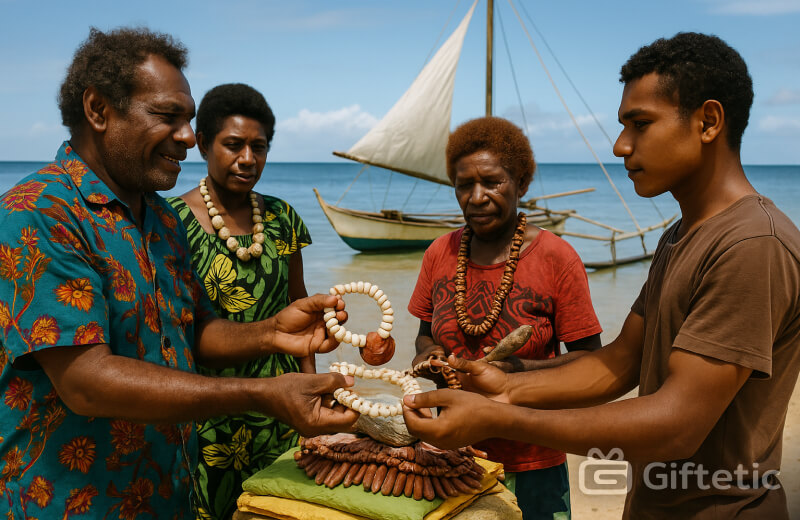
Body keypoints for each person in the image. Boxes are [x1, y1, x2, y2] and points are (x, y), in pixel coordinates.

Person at [403, 32, 800, 519]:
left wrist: (501, 417)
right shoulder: (681, 236)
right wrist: (505, 383)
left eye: (640, 124)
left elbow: (678, 425)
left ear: (708, 121)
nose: (620, 145)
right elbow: (618, 362)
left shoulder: (752, 244)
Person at [0, 27, 357, 518]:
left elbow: (199, 331)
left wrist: (274, 332)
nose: (188, 137)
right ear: (98, 110)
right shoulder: (38, 213)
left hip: (170, 495)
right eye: (167, 117)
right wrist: (261, 393)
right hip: (72, 503)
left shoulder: (162, 218)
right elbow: (87, 381)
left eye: (188, 120)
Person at [407, 116, 602, 519]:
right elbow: (424, 335)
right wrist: (429, 356)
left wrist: (517, 370)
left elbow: (590, 362)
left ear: (521, 183)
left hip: (532, 462)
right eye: (464, 185)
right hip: (453, 457)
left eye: (492, 182)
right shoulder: (439, 254)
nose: (476, 197)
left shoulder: (557, 258)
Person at [167, 83, 313, 519]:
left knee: (279, 510)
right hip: (208, 412)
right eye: (233, 145)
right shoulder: (170, 222)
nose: (248, 159)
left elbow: (300, 310)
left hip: (282, 409)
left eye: (259, 147)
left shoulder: (283, 218)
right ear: (203, 145)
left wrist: (311, 396)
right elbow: (179, 333)